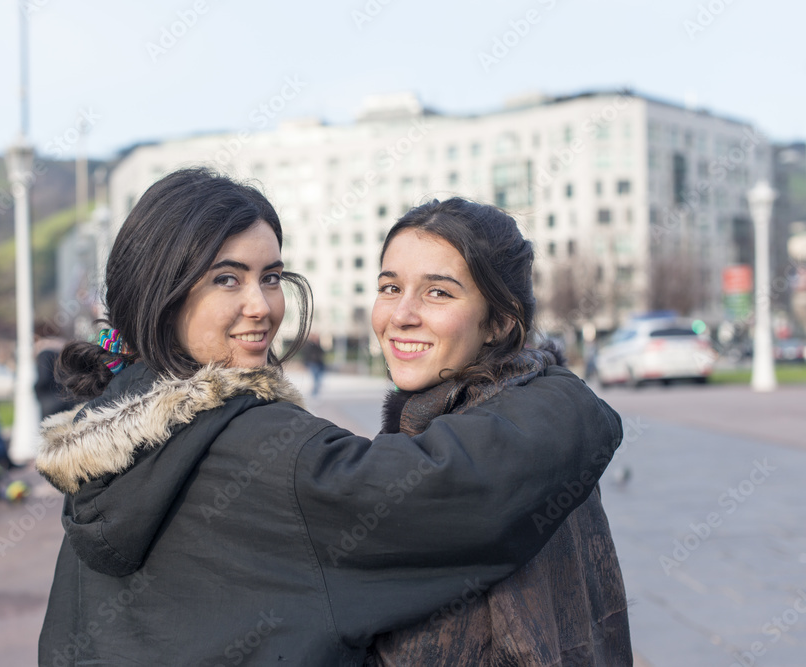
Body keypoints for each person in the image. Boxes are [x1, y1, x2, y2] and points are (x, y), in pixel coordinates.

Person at [35, 168, 623, 666]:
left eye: (271, 277)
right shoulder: (250, 446)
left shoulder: (111, 439)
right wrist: (570, 403)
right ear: (160, 290)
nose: (261, 306)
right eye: (226, 279)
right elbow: (444, 494)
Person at [366, 198, 631, 665]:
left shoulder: (498, 450)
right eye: (390, 287)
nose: (400, 314)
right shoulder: (492, 420)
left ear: (501, 321)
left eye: (438, 293)